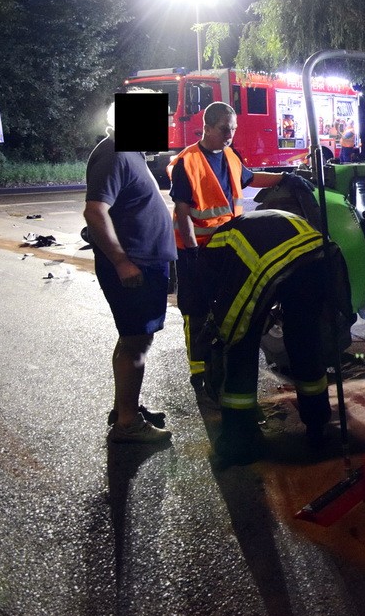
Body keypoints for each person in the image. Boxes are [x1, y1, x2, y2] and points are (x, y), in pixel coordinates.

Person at [198, 209, 338, 465]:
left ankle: (239, 441)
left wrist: (225, 331)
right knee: (305, 343)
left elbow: (224, 311)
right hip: (317, 255)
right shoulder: (245, 228)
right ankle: (317, 426)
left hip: (273, 263)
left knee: (240, 346)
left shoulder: (212, 253)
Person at [169, 102, 285, 392]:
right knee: (195, 311)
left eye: (233, 129)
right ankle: (198, 372)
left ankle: (217, 365)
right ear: (206, 127)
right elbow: (182, 211)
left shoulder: (231, 156)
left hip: (226, 247)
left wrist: (286, 178)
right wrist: (194, 252)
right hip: (195, 251)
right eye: (224, 129)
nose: (230, 135)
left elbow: (251, 177)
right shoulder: (188, 161)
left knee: (225, 308)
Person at [83, 103, 176, 444]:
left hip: (143, 262)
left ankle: (126, 407)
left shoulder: (128, 152)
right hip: (134, 265)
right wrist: (122, 262)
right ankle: (127, 423)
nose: (164, 127)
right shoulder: (116, 155)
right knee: (137, 342)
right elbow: (95, 212)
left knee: (131, 339)